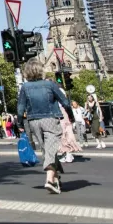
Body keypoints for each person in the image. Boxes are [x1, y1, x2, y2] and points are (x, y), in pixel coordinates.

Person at [17, 61, 74, 195]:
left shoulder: (25, 87)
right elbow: (65, 102)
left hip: (33, 121)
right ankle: (49, 179)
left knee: (47, 149)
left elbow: (20, 108)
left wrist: (20, 123)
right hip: (50, 118)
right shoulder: (50, 84)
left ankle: (56, 178)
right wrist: (70, 116)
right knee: (50, 148)